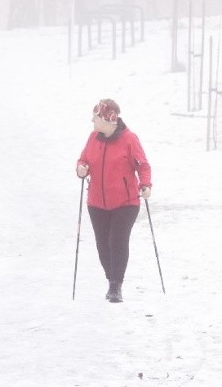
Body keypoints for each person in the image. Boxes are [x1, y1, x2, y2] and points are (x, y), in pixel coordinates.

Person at [75, 98, 151, 303]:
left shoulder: (129, 139)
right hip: (97, 202)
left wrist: (145, 185)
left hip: (125, 203)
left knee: (117, 241)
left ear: (108, 119)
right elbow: (83, 160)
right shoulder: (93, 138)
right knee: (103, 245)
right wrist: (81, 168)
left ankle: (116, 285)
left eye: (95, 116)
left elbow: (143, 166)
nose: (92, 120)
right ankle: (111, 279)